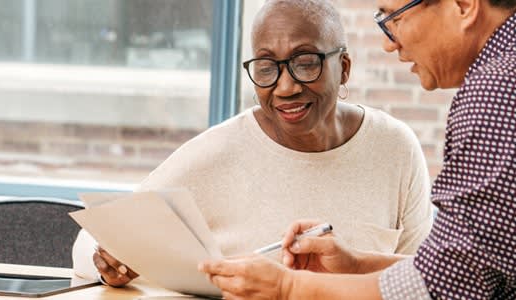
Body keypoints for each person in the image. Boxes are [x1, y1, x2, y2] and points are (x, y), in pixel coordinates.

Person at [72, 0, 434, 288]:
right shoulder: (218, 151)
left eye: (305, 63)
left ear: (344, 68)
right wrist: (107, 263)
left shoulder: (395, 148)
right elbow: (95, 237)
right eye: (266, 67)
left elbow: (423, 279)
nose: (285, 86)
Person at [199, 0, 516, 299]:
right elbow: (475, 269)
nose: (389, 42)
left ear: (464, 5)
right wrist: (355, 266)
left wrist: (287, 287)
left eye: (396, 17)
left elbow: (448, 285)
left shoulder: (494, 91)